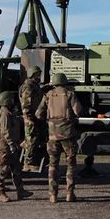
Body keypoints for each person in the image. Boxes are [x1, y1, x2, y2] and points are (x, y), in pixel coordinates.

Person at [36, 73, 82, 203]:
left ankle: (53, 195)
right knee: (71, 165)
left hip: (53, 135)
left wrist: (49, 121)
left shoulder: (48, 95)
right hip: (68, 135)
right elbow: (78, 111)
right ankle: (69, 194)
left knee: (53, 165)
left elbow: (38, 114)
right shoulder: (70, 94)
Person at [0, 90, 34, 203]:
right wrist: (11, 144)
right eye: (11, 99)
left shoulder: (9, 112)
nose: (13, 101)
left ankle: (20, 191)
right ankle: (1, 193)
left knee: (16, 169)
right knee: (2, 170)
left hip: (11, 145)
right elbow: (6, 130)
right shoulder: (4, 113)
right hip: (4, 146)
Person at [19, 66, 43, 172]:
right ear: (33, 75)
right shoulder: (28, 86)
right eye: (38, 74)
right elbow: (25, 104)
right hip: (30, 117)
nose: (39, 76)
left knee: (33, 138)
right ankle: (27, 163)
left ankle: (27, 153)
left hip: (34, 116)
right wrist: (28, 117)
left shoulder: (34, 85)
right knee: (31, 139)